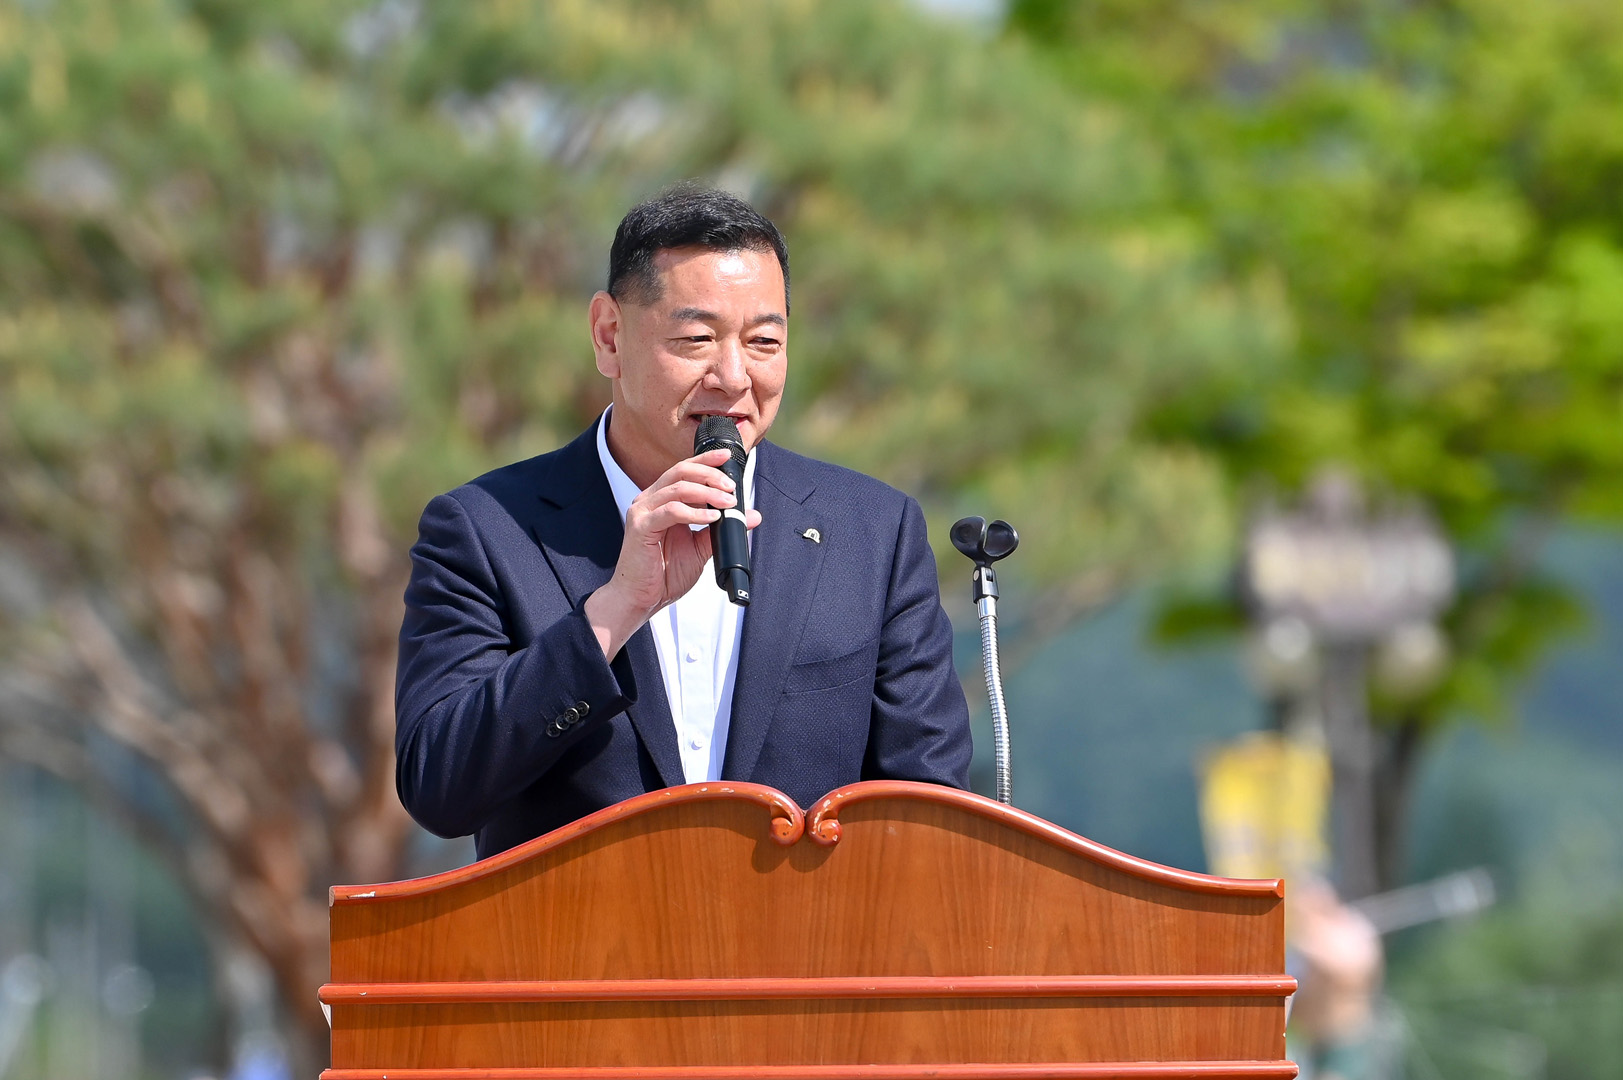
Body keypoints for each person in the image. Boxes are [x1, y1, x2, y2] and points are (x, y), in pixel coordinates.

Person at [395, 186, 972, 859]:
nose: (733, 377)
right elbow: (439, 786)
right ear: (609, 336)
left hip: (805, 929)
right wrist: (613, 611)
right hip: (579, 928)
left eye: (763, 342)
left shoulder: (872, 531)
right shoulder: (487, 529)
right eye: (697, 339)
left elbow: (928, 813)